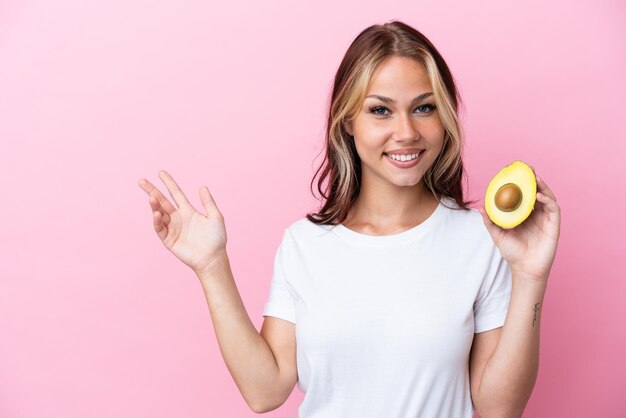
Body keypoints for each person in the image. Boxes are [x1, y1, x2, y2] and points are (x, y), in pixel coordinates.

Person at [138, 20, 561, 418]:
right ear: (348, 123)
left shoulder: (481, 239)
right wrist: (212, 267)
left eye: (424, 108)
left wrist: (531, 277)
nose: (406, 132)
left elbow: (499, 409)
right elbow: (265, 391)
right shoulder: (304, 245)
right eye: (380, 110)